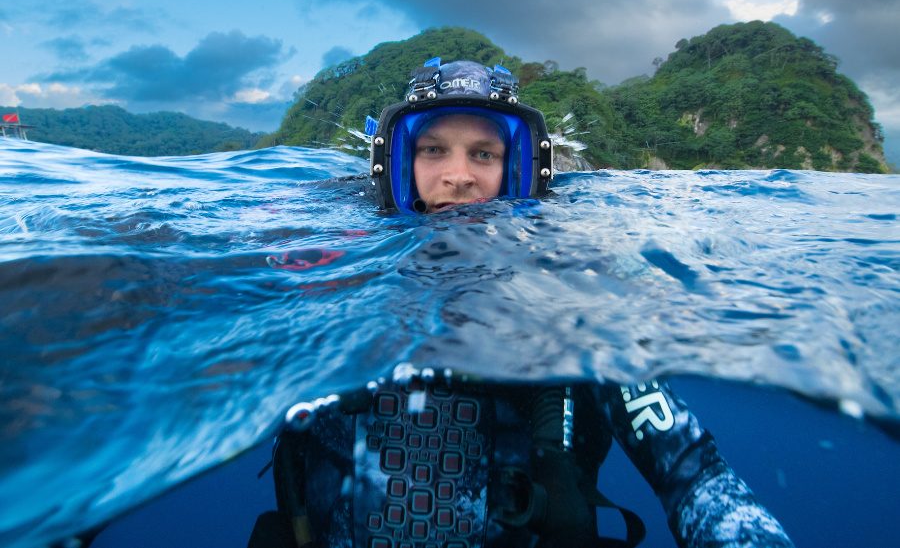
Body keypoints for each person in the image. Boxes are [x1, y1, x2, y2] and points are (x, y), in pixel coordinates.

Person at [248, 60, 795, 548]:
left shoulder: (571, 289)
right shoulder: (334, 265)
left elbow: (694, 476)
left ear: (521, 169)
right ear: (394, 162)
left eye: (484, 154)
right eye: (432, 149)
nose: (458, 177)